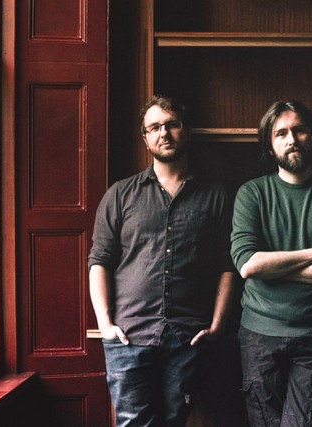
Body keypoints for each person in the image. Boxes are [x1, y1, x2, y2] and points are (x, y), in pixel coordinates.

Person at [88, 95, 236, 426]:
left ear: (187, 131)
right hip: (128, 335)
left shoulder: (216, 197)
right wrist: (105, 325)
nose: (164, 133)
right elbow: (99, 261)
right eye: (154, 127)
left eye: (172, 124)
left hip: (189, 336)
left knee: (174, 422)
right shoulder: (120, 194)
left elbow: (227, 265)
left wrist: (218, 324)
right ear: (145, 138)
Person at [231, 101, 312, 427]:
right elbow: (247, 265)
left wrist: (273, 268)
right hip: (259, 333)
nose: (292, 139)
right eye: (281, 133)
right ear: (269, 145)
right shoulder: (252, 193)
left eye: (299, 130)